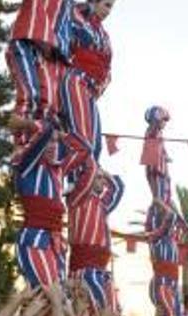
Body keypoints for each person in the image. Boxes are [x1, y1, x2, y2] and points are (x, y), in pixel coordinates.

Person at [59, 0, 114, 197]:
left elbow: (108, 68)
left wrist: (99, 87)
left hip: (91, 89)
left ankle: (87, 178)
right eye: (106, 4)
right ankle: (70, 179)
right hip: (76, 80)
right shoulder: (78, 16)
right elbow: (68, 28)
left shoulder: (105, 36)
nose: (108, 11)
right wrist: (86, 8)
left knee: (95, 143)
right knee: (80, 139)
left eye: (111, 7)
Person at [141, 106, 187, 316]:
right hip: (161, 199)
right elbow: (151, 172)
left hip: (165, 199)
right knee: (169, 315)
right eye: (162, 121)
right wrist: (160, 203)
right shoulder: (152, 137)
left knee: (173, 313)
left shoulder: (170, 240)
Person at [12, 124, 69, 289]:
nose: (53, 145)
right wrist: (47, 123)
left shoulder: (57, 171)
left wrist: (63, 133)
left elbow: (83, 148)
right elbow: (40, 140)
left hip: (55, 241)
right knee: (50, 296)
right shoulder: (25, 164)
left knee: (55, 301)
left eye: (56, 142)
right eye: (50, 141)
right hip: (34, 238)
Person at [6, 0, 72, 137]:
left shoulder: (71, 7)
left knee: (50, 103)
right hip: (28, 38)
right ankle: (22, 143)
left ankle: (44, 139)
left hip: (53, 52)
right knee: (30, 94)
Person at [67, 171, 123, 316]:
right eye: (99, 178)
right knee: (88, 304)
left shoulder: (103, 203)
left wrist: (104, 173)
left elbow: (118, 187)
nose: (104, 183)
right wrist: (92, 169)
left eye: (104, 180)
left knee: (107, 303)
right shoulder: (77, 197)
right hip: (84, 262)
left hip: (100, 264)